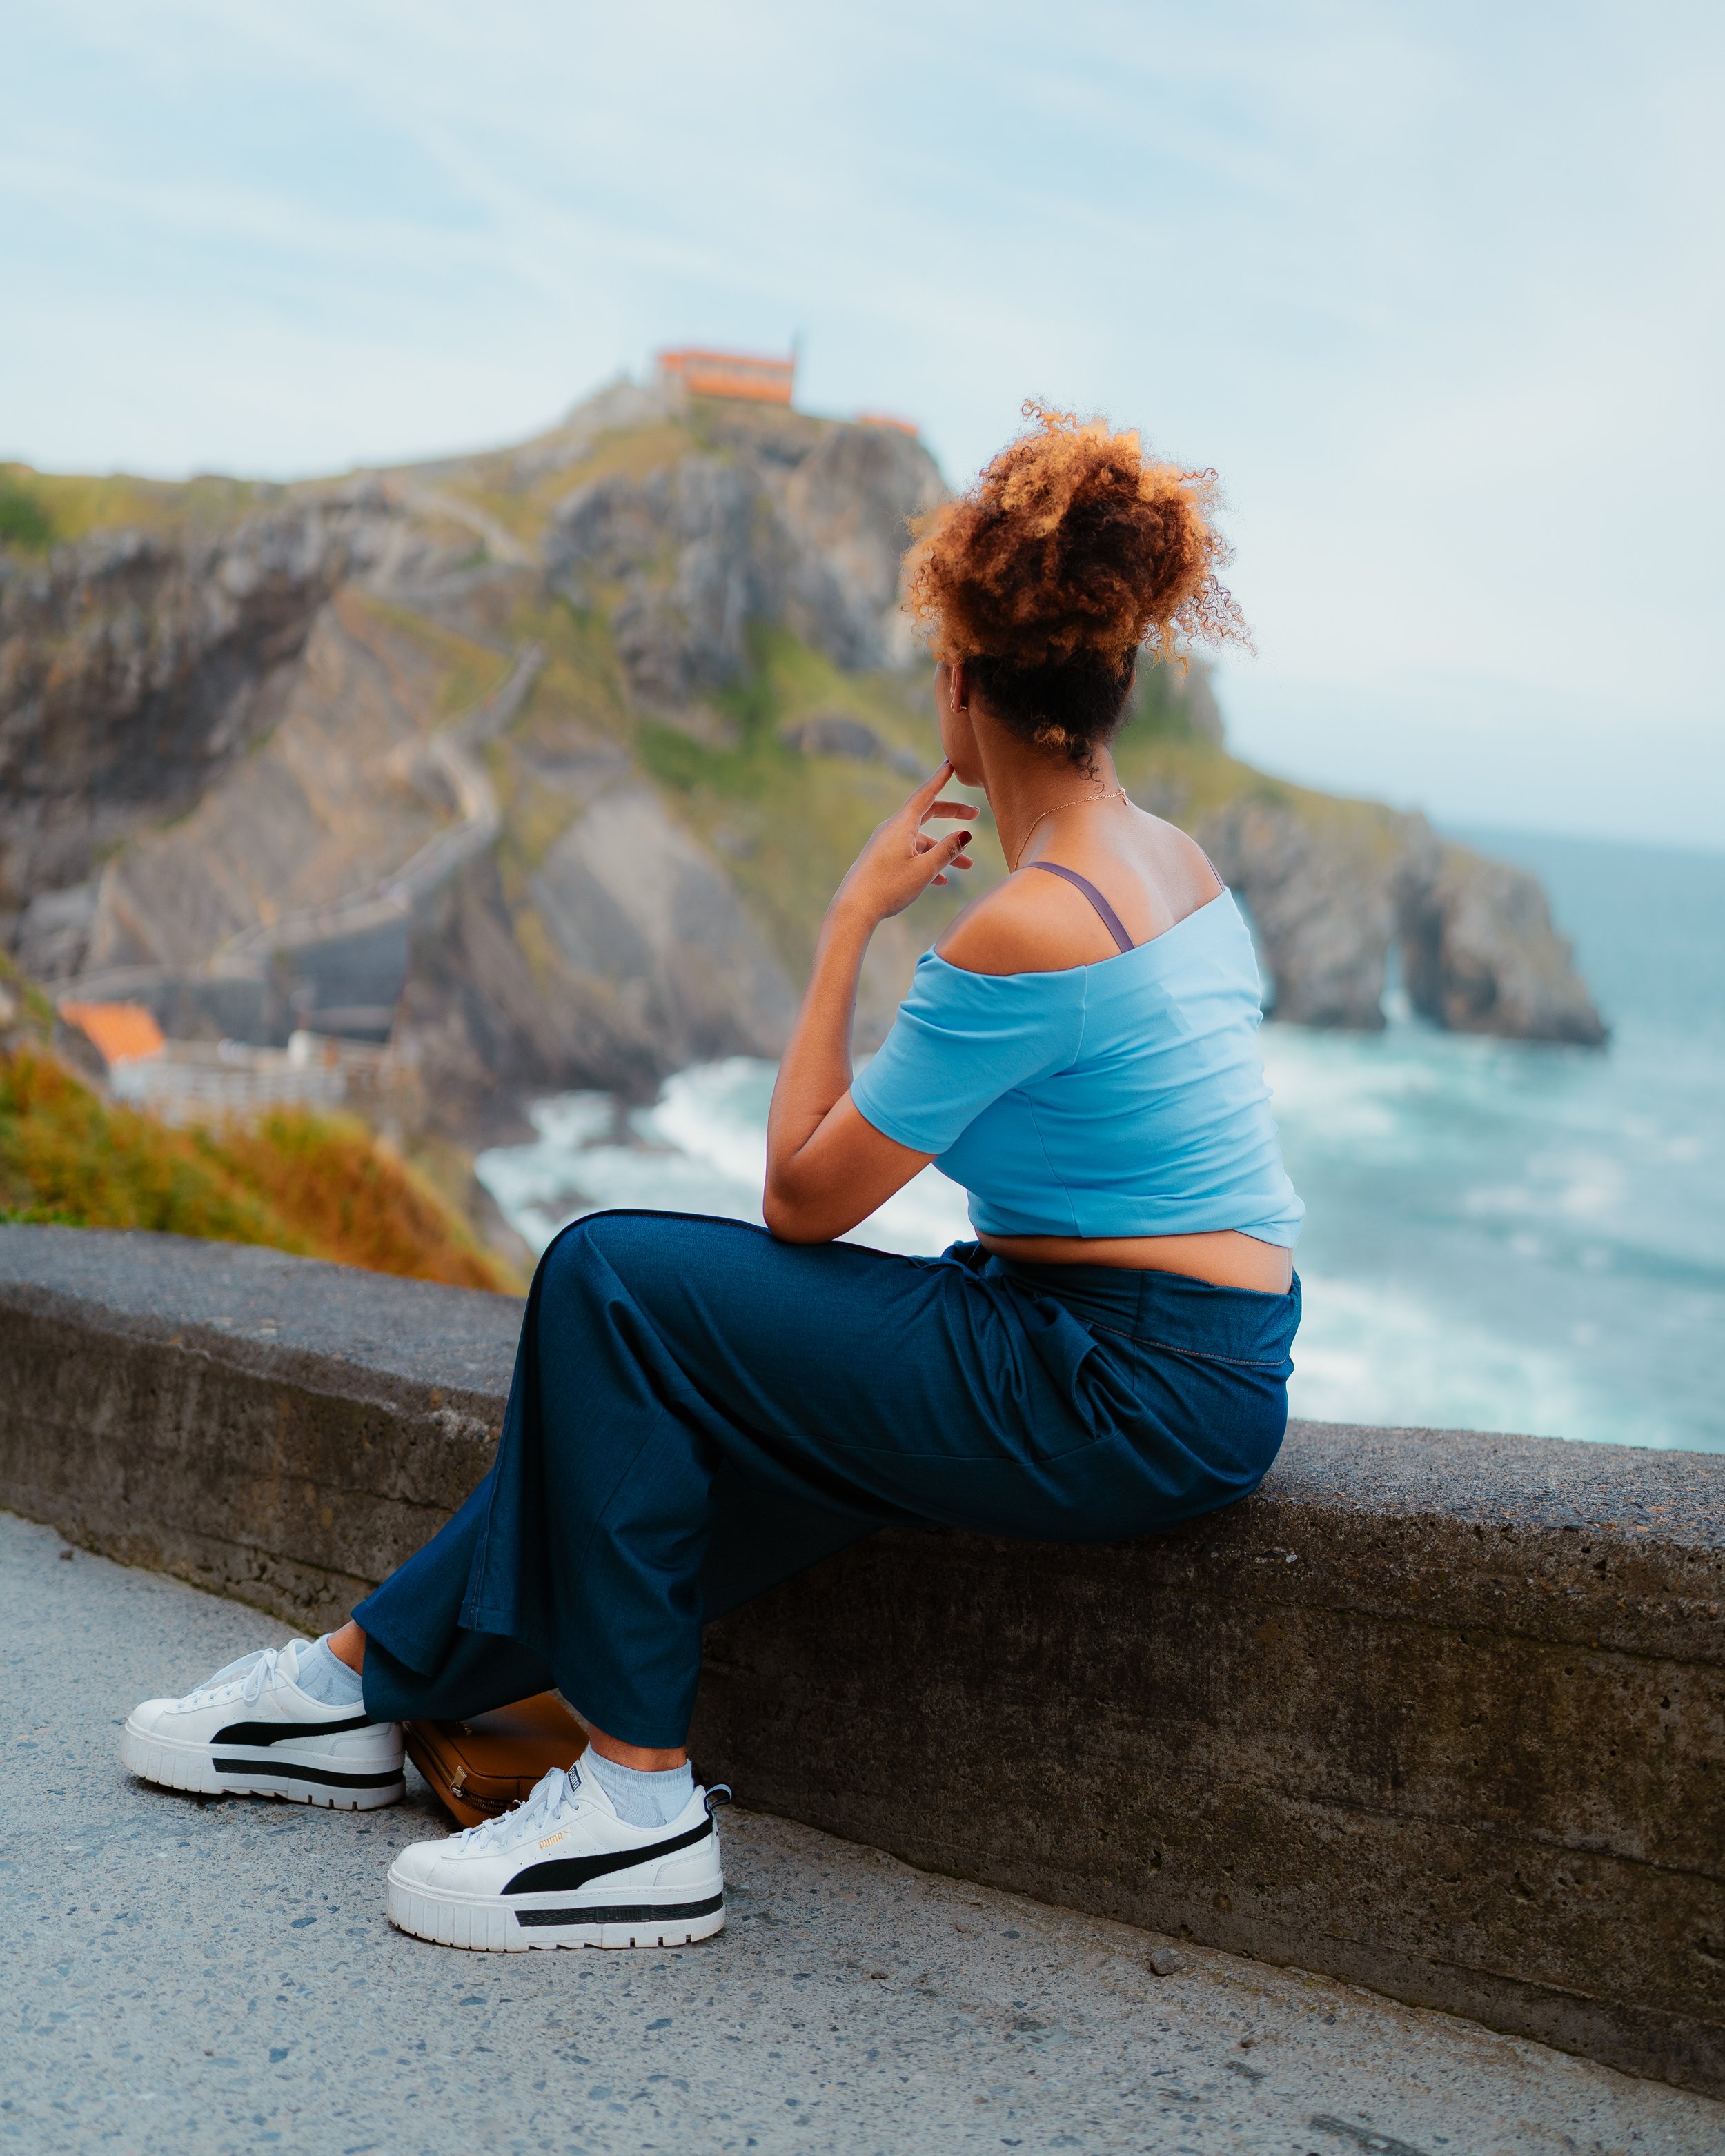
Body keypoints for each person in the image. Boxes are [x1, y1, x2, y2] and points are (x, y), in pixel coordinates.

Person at [121, 402, 1302, 1956]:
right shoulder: (1174, 865)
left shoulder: (1027, 925)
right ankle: (345, 1690)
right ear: (1120, 676)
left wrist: (842, 930)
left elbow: (802, 1201)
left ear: (955, 685)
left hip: (1109, 1382)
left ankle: (634, 1813)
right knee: (687, 1430)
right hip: (1188, 1367)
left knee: (610, 1280)